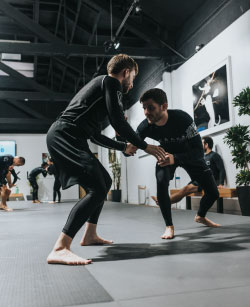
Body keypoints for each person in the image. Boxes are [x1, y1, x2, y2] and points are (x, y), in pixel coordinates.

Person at [46, 54, 166, 266]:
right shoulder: (110, 82)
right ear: (126, 72)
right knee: (97, 189)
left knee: (105, 182)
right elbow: (118, 122)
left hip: (72, 136)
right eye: (133, 78)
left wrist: (123, 146)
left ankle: (90, 234)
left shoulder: (101, 88)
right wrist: (144, 145)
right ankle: (60, 248)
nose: (132, 83)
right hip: (66, 135)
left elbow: (94, 135)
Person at [136, 88, 220, 240]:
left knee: (213, 193)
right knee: (161, 182)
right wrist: (125, 146)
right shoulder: (145, 126)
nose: (146, 112)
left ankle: (200, 216)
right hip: (165, 156)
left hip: (189, 155)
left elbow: (198, 151)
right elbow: (129, 148)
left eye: (151, 107)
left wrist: (176, 158)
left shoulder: (183, 119)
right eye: (144, 108)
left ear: (164, 106)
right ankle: (169, 226)